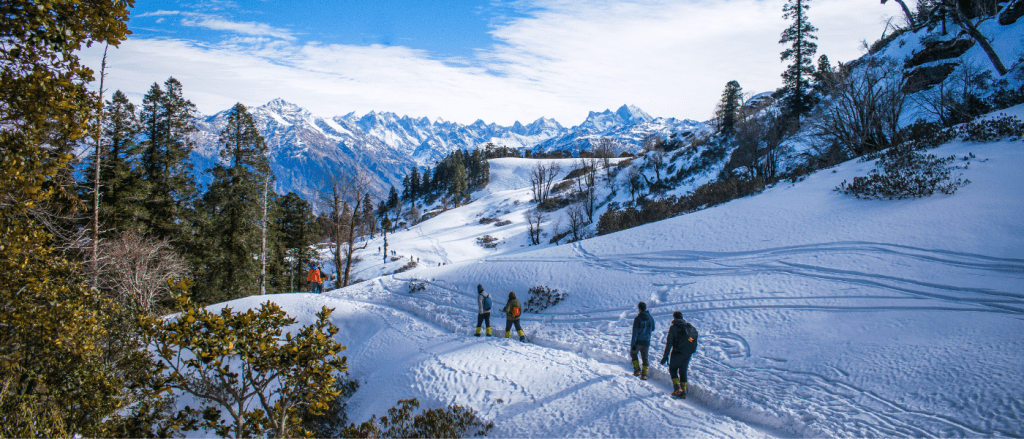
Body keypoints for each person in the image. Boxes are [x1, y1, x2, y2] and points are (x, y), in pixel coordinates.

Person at [660, 311, 699, 398]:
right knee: (683, 371)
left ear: (674, 318)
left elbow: (669, 343)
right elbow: (692, 338)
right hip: (688, 353)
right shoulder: (689, 327)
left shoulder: (673, 328)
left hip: (677, 352)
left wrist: (665, 356)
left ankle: (677, 388)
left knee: (672, 369)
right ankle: (683, 391)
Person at [630, 301, 655, 380]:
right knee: (645, 357)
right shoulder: (650, 317)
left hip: (638, 341)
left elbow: (635, 333)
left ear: (639, 309)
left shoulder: (638, 318)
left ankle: (637, 370)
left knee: (633, 353)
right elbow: (653, 328)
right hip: (647, 341)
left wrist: (633, 344)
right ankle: (644, 374)